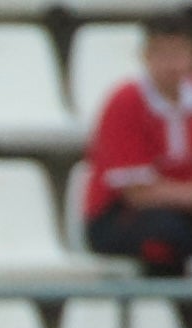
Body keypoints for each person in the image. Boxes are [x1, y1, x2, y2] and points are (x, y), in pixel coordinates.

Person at [82, 11, 192, 279]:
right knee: (167, 236)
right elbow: (137, 192)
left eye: (178, 53)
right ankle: (176, 313)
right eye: (162, 54)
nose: (171, 65)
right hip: (119, 216)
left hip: (181, 212)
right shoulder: (126, 102)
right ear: (146, 55)